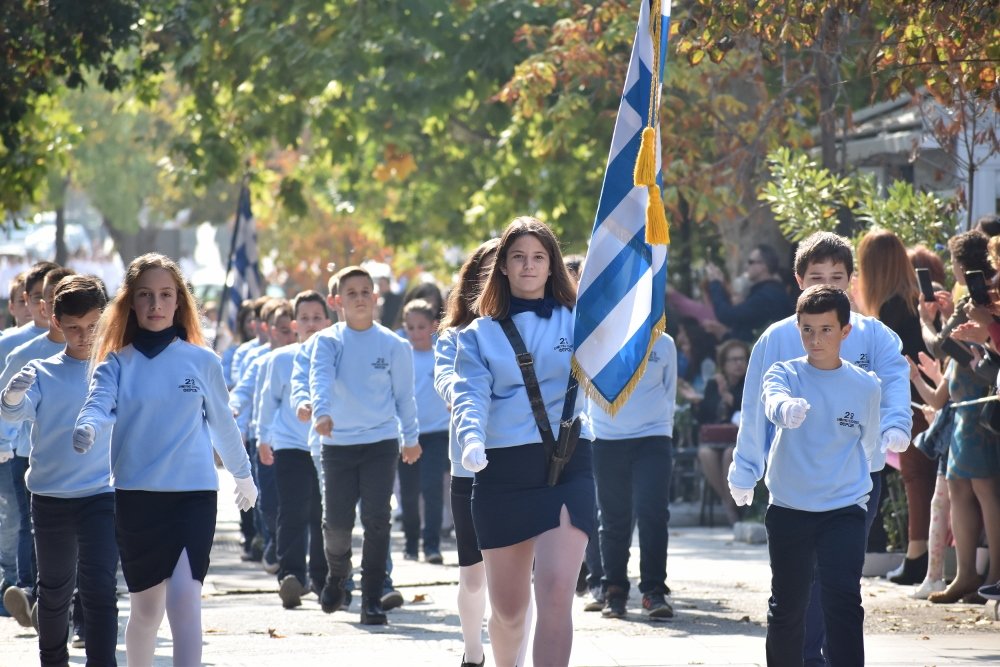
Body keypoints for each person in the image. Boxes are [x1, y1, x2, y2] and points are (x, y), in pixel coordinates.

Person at [729, 231, 911, 667]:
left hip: (855, 485)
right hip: (794, 487)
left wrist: (895, 426)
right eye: (815, 277)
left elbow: (892, 383)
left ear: (851, 280)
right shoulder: (778, 339)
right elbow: (756, 404)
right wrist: (745, 468)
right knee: (796, 593)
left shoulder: (874, 335)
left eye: (836, 276)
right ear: (797, 280)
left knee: (839, 588)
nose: (826, 284)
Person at [73, 253, 257, 666]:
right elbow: (98, 404)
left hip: (194, 496)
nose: (156, 305)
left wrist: (243, 476)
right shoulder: (117, 363)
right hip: (137, 497)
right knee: (146, 610)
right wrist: (88, 427)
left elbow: (223, 424)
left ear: (179, 302)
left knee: (185, 599)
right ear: (131, 303)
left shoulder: (203, 361)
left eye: (165, 295)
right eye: (145, 295)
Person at [452, 216, 593, 667]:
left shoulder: (583, 322)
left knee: (555, 595)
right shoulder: (479, 334)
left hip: (568, 466)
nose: (529, 266)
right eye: (518, 257)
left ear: (552, 265)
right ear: (504, 268)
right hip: (502, 472)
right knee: (510, 614)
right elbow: (467, 392)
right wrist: (471, 438)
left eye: (538, 257)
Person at [1, 275, 118, 665]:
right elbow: (16, 412)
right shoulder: (42, 370)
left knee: (100, 586)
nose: (83, 336)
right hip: (50, 497)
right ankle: (53, 660)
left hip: (102, 494)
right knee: (54, 590)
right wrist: (11, 395)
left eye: (92, 327)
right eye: (73, 328)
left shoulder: (116, 368)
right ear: (56, 322)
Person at [308, 265, 421, 625]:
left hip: (381, 443)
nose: (359, 298)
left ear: (375, 297)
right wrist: (322, 414)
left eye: (365, 291)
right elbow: (320, 380)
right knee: (337, 524)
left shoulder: (394, 345)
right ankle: (337, 576)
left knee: (377, 521)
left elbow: (405, 397)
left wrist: (411, 438)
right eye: (351, 293)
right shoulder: (328, 342)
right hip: (337, 444)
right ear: (337, 301)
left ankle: (372, 598)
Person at [436, 238, 531, 667]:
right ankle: (472, 653)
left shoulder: (536, 326)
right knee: (474, 578)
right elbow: (447, 385)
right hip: (469, 471)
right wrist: (472, 394)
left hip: (523, 469)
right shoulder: (454, 336)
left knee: (519, 582)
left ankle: (511, 657)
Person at [912, 230, 1000, 605]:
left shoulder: (975, 299)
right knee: (962, 488)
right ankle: (967, 573)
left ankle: (991, 574)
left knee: (983, 490)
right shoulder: (972, 299)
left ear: (962, 266)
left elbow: (942, 345)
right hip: (967, 406)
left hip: (980, 406)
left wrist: (925, 319)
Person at [856, 229, 936, 586]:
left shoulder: (892, 308)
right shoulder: (912, 299)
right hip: (927, 393)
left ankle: (918, 556)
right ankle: (920, 555)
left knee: (916, 477)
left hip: (915, 399)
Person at [1, 265, 74, 627]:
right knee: (29, 526)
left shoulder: (100, 351)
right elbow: (8, 400)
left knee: (77, 535)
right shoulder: (22, 349)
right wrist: (3, 441)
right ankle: (31, 590)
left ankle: (65, 604)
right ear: (42, 306)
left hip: (85, 465)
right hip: (29, 455)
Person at [589, 329, 677, 620]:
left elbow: (669, 391)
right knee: (613, 519)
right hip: (606, 439)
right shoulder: (594, 340)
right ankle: (614, 590)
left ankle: (654, 591)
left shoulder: (664, 343)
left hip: (653, 438)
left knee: (653, 514)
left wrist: (663, 430)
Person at [257, 290, 331, 609]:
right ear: (294, 323)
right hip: (290, 445)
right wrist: (262, 438)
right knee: (292, 511)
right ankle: (291, 576)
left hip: (327, 446)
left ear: (328, 322)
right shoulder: (281, 358)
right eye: (305, 318)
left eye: (317, 318)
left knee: (322, 512)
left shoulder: (336, 355)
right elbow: (268, 400)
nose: (311, 324)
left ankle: (321, 575)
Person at [398, 298, 450, 564]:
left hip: (438, 433)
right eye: (410, 327)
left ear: (434, 326)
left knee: (432, 489)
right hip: (408, 435)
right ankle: (410, 543)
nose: (416, 333)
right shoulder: (401, 354)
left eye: (421, 326)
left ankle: (432, 545)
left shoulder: (442, 354)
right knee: (408, 491)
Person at [697, 339, 750, 524]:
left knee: (729, 454)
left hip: (740, 440)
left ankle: (731, 509)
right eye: (733, 360)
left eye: (742, 359)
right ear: (724, 363)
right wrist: (719, 395)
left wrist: (730, 399)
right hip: (716, 438)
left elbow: (750, 410)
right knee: (705, 453)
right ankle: (729, 505)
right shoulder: (714, 384)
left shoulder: (750, 382)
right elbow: (704, 414)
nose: (738, 364)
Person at [705, 244, 794, 343]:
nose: (746, 266)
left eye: (750, 262)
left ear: (763, 266)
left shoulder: (766, 296)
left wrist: (715, 284)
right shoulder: (770, 292)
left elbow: (728, 316)